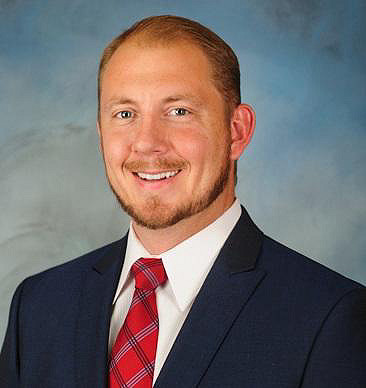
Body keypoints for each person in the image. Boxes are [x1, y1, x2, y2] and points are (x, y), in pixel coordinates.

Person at [1, 15, 365, 388]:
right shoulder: (39, 305)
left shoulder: (330, 317)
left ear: (236, 131)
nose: (146, 143)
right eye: (125, 114)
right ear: (101, 133)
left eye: (179, 112)